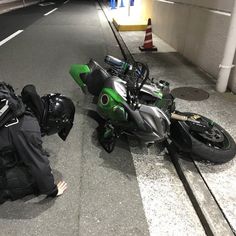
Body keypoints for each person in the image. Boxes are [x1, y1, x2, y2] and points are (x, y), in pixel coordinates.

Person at [0, 83, 75, 204]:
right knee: (31, 177)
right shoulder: (28, 127)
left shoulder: (19, 105)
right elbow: (39, 167)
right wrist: (52, 190)